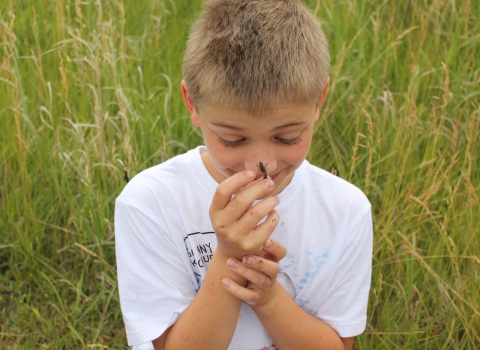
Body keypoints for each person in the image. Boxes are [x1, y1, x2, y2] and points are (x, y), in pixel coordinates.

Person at [114, 0, 373, 349]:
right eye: (233, 140)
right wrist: (227, 259)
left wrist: (267, 298)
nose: (260, 165)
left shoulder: (346, 211)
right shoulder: (150, 202)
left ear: (319, 101)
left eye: (287, 136)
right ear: (192, 104)